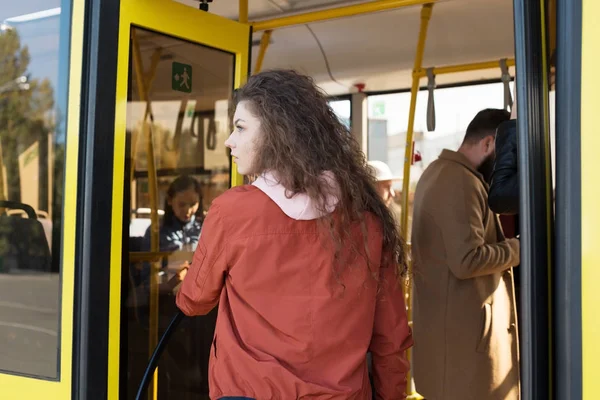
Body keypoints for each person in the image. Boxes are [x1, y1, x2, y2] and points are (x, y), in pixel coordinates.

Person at [176, 69, 413, 400]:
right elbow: (391, 338)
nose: (230, 140)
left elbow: (195, 300)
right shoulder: (368, 220)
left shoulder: (233, 212)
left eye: (240, 127)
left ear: (278, 134)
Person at [411, 108, 521, 400]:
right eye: (507, 157)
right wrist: (517, 248)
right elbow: (466, 260)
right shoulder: (459, 181)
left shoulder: (440, 173)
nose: (507, 169)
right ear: (488, 144)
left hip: (454, 345)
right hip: (464, 350)